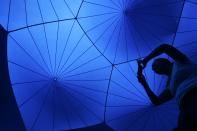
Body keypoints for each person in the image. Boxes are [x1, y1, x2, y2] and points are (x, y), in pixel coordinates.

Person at [137, 44, 197, 131]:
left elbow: (164, 47)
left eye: (155, 65)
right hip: (184, 106)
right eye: (153, 69)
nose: (153, 69)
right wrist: (144, 83)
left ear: (164, 61)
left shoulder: (180, 61)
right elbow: (157, 101)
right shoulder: (169, 85)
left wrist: (146, 60)